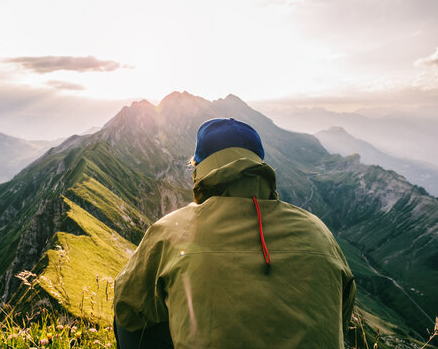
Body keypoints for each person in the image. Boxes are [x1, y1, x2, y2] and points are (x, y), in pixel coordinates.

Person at [113, 118, 356, 349]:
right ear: (259, 168)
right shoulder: (318, 231)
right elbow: (342, 317)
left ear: (199, 170)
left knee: (134, 322)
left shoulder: (171, 231)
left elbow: (127, 308)